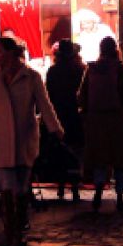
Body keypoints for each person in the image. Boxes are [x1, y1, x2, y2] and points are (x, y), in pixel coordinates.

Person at [0, 37, 63, 246]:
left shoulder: (31, 77)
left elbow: (45, 105)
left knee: (22, 187)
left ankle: (21, 224)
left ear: (13, 54)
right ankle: (10, 229)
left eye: (1, 52)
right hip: (1, 140)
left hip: (25, 139)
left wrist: (55, 129)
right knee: (6, 186)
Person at [78, 37, 123, 213]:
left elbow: (81, 97)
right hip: (118, 121)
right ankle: (119, 197)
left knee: (99, 159)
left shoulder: (91, 69)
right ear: (115, 49)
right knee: (120, 159)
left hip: (96, 122)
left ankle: (98, 192)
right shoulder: (120, 69)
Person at [45, 39, 85, 201]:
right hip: (75, 115)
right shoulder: (80, 70)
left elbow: (48, 94)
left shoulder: (53, 71)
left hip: (59, 115)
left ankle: (61, 186)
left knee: (61, 150)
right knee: (76, 151)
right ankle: (75, 186)